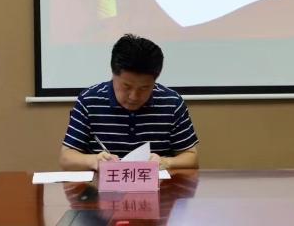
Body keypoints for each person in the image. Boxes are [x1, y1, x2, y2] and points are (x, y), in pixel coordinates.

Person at [60, 34, 199, 171]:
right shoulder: (89, 101)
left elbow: (191, 158)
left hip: (157, 184)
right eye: (126, 86)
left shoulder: (172, 103)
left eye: (144, 88)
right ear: (113, 74)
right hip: (102, 184)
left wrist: (165, 162)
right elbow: (66, 158)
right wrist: (94, 161)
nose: (134, 96)